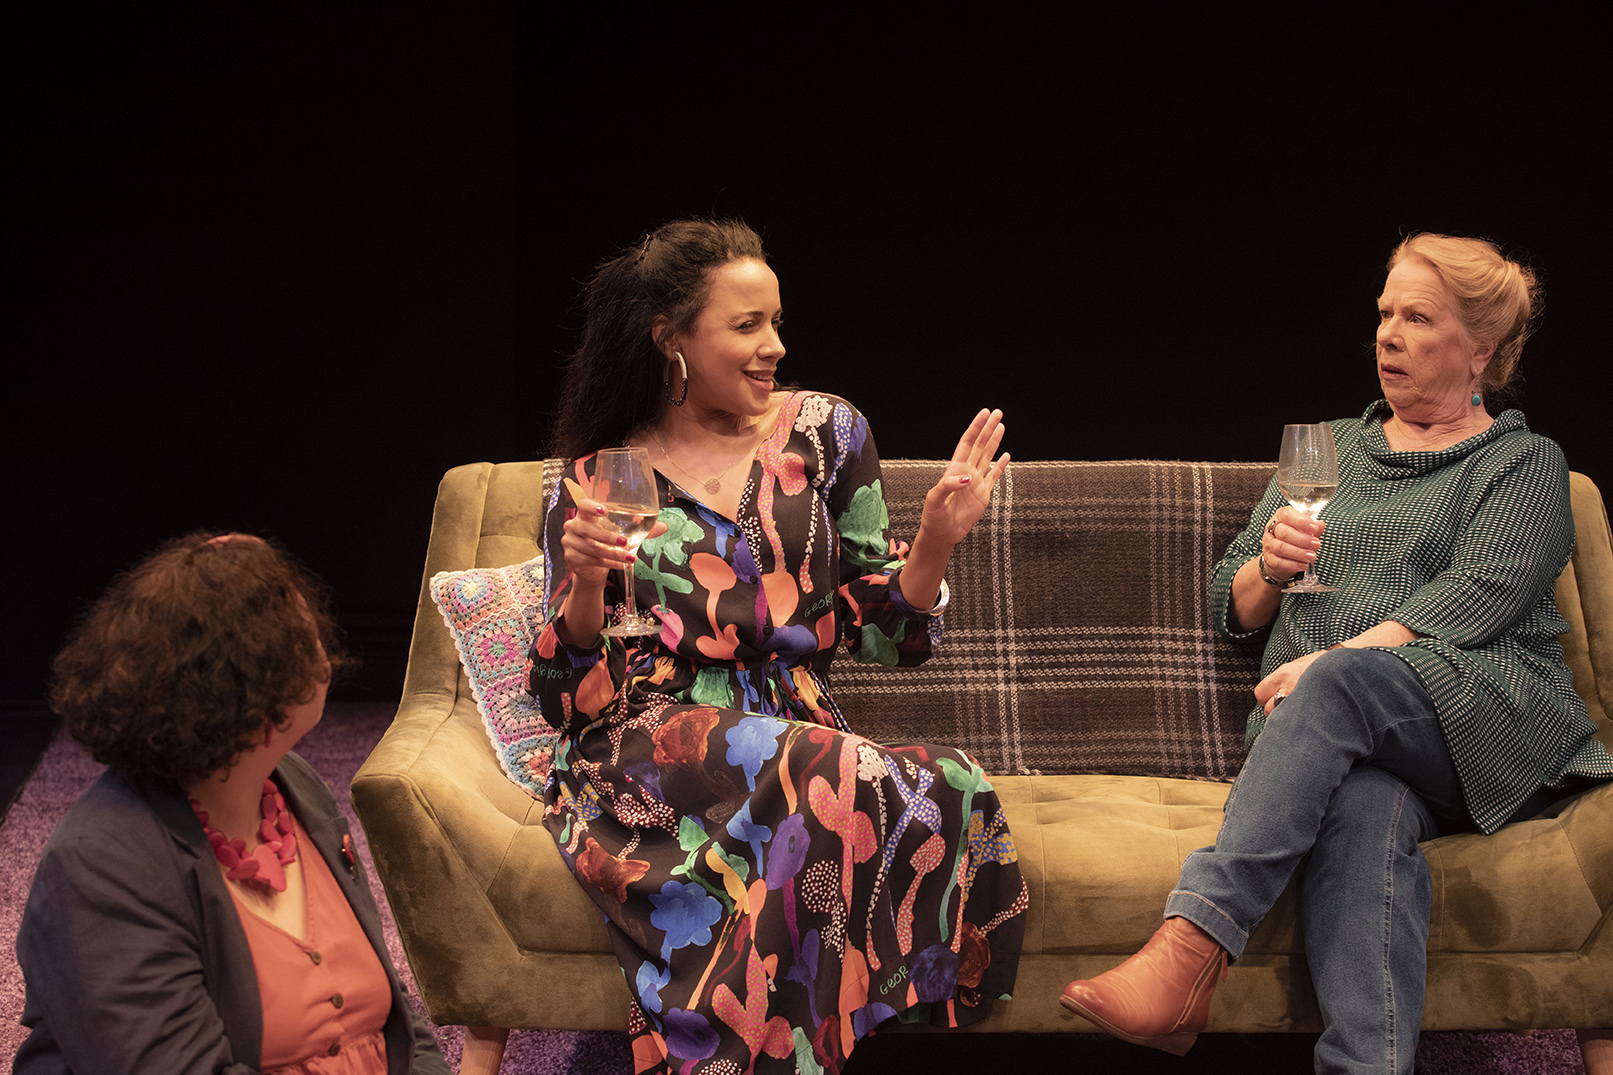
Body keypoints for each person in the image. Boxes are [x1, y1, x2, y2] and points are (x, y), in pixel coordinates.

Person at [1060, 233, 1613, 1074]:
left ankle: (1190, 946)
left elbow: (1477, 597)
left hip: (1477, 716)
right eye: (1384, 313)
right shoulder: (1327, 450)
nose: (1387, 334)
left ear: (1481, 350)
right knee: (1362, 810)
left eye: (1417, 318)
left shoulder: (1522, 464)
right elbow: (1230, 608)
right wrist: (1267, 568)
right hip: (1339, 736)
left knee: (1347, 684)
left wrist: (1332, 665)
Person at [531, 218, 1028, 1074]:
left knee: (949, 781)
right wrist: (581, 582)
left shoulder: (827, 432)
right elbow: (568, 697)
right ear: (671, 339)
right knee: (825, 775)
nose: (773, 346)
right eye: (746, 325)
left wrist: (936, 543)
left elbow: (882, 633)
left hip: (796, 731)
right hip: (648, 740)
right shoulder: (602, 475)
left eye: (776, 322)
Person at [15, 533, 450, 1075]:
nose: (324, 646)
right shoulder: (99, 869)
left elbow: (398, 1020)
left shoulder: (291, 785)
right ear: (256, 689)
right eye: (305, 635)